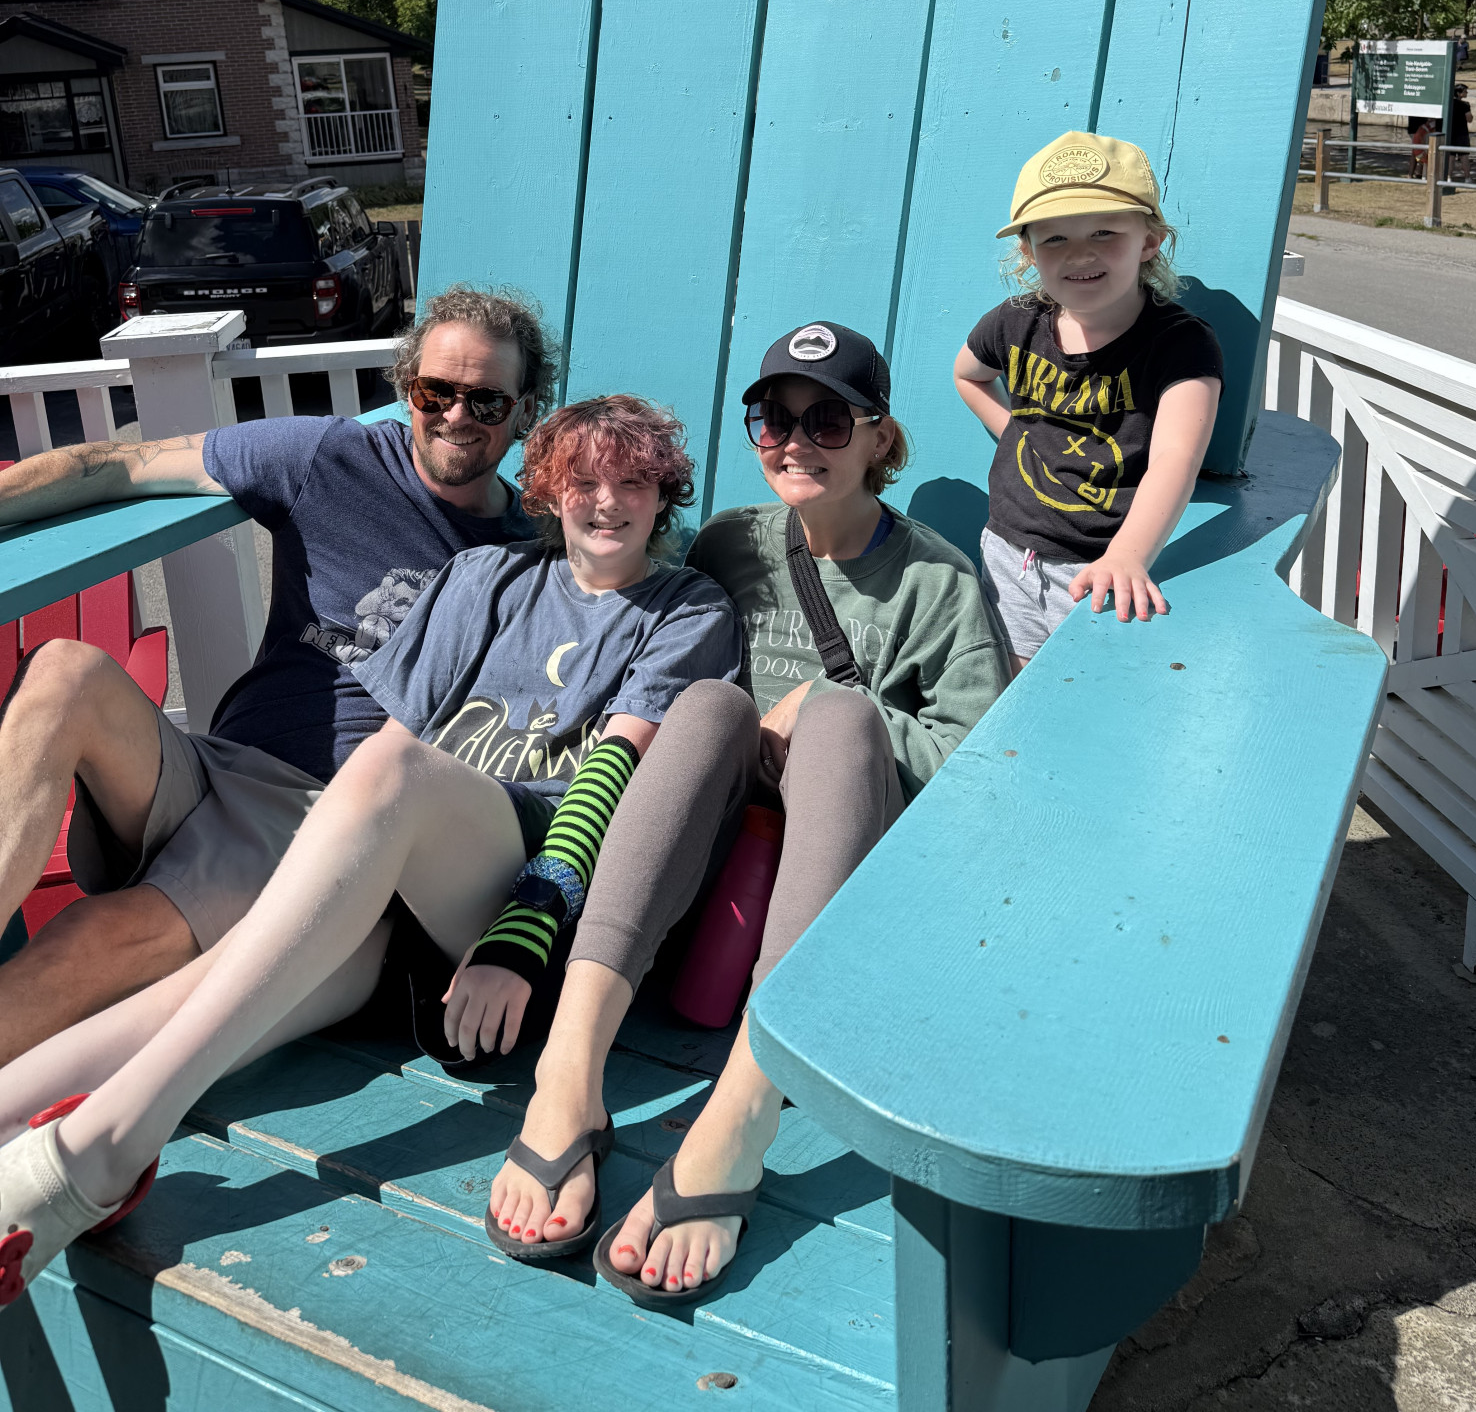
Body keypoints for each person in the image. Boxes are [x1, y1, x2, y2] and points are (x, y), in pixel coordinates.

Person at [0, 396, 742, 1305]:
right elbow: (400, 734)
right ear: (548, 490)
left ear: (664, 495)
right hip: (401, 926)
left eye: (633, 482)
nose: (607, 501)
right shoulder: (484, 576)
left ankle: (111, 1145)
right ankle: (47, 1149)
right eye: (583, 480)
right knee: (207, 996)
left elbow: (610, 781)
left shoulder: (684, 609)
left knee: (391, 776)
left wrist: (523, 933)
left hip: (524, 899)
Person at [481, 321, 1012, 1304]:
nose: (797, 441)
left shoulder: (936, 582)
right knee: (708, 704)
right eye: (775, 418)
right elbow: (629, 604)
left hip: (840, 904)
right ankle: (569, 1069)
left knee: (843, 716)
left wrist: (832, 707)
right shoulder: (731, 541)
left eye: (828, 420)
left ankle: (744, 1109)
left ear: (880, 437)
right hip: (707, 887)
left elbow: (981, 769)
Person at [0, 283, 552, 1065]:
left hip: (319, 822)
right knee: (64, 670)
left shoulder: (541, 557)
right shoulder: (330, 457)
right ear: (408, 389)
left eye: (487, 401)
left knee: (98, 934)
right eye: (436, 392)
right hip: (214, 767)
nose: (456, 416)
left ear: (524, 412)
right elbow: (114, 464)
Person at [952, 131, 1224, 669]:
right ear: (1028, 251)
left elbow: (1176, 458)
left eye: (1104, 231)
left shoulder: (1180, 344)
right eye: (1054, 238)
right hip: (1009, 551)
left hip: (1107, 566)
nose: (1080, 253)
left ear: (1149, 241)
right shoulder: (1015, 322)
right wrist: (1015, 433)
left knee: (1093, 687)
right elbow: (968, 375)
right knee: (1014, 684)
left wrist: (1128, 556)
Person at [1449, 83, 1473, 184]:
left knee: (1450, 157)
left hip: (1451, 132)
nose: (1467, 93)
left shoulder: (1449, 103)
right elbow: (1469, 119)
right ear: (1459, 93)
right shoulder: (1465, 105)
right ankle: (1467, 177)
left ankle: (1449, 177)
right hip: (1462, 133)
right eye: (1465, 91)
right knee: (1464, 156)